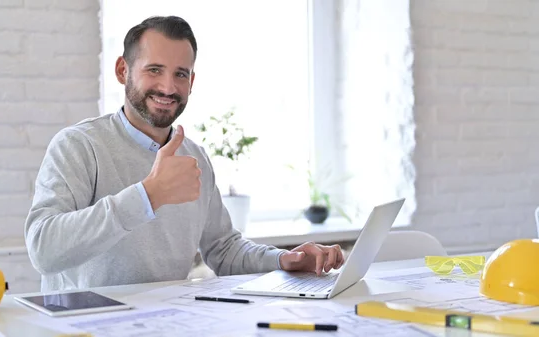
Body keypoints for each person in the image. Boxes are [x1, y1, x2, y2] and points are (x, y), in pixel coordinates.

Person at [24, 15, 344, 291]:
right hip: (84, 326)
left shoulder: (195, 158)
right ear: (123, 70)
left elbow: (224, 249)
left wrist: (283, 260)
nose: (168, 87)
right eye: (154, 70)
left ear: (192, 82)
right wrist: (147, 195)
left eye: (180, 74)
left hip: (166, 322)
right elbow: (43, 250)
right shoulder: (78, 146)